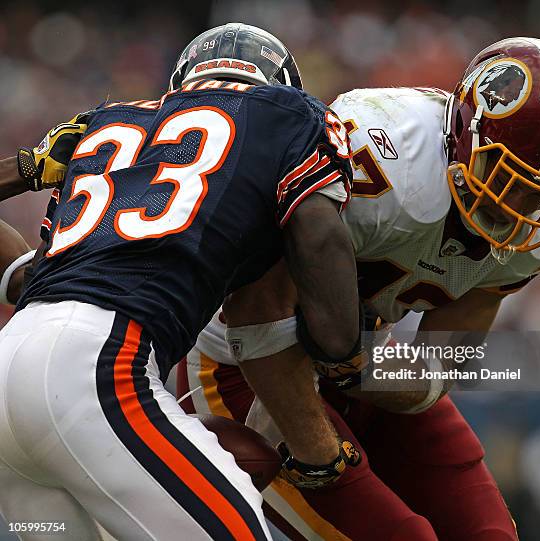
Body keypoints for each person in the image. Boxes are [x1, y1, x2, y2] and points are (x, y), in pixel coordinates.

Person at [177, 37, 540, 540]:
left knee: (489, 531)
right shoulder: (383, 154)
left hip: (362, 353)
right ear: (467, 133)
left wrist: (370, 370)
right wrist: (318, 445)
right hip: (245, 362)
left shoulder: (537, 227)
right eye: (513, 178)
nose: (525, 205)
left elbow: (443, 359)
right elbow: (256, 312)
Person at [0, 22, 362, 541]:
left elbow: (50, 281)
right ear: (280, 81)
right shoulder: (288, 112)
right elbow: (321, 237)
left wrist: (26, 167)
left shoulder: (103, 122)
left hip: (9, 367)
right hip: (99, 369)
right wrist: (342, 349)